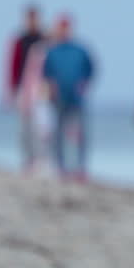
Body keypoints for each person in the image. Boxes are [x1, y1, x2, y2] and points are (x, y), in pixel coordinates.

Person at [42, 14, 95, 182]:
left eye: (66, 27)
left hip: (77, 99)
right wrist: (50, 88)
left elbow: (91, 69)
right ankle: (60, 167)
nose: (63, 31)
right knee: (58, 134)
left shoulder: (80, 50)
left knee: (80, 134)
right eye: (61, 27)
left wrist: (84, 84)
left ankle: (80, 167)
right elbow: (45, 74)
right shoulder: (52, 51)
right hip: (58, 99)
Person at [5, 4, 46, 170]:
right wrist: (12, 89)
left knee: (41, 126)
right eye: (29, 18)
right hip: (24, 88)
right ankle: (28, 159)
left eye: (34, 18)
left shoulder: (45, 38)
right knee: (24, 126)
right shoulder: (20, 40)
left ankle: (41, 157)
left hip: (42, 88)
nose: (32, 21)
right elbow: (13, 66)